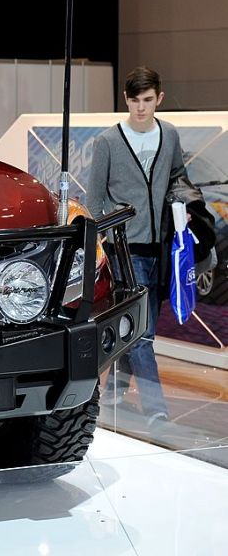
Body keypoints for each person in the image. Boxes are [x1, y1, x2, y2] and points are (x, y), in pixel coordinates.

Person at [88, 66, 187, 428]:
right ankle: (156, 410)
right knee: (143, 334)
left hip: (161, 244)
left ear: (158, 98)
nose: (141, 108)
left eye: (148, 100)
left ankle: (113, 391)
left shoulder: (170, 136)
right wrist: (105, 245)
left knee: (145, 327)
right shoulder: (108, 142)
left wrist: (182, 210)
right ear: (126, 100)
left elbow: (178, 178)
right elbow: (94, 199)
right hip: (124, 249)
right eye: (135, 101)